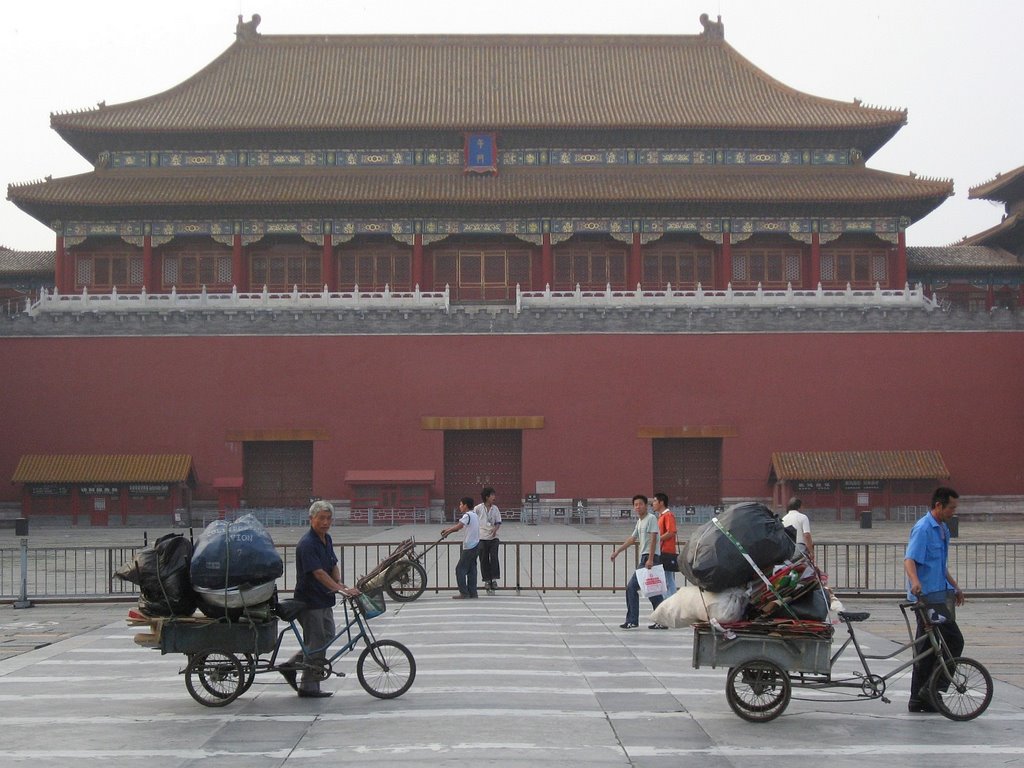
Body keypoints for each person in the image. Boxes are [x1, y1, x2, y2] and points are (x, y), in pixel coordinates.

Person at [281, 500, 359, 698]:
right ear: (311, 519)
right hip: (309, 601)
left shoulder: (327, 539)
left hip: (324, 599)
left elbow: (332, 564)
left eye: (328, 518)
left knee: (326, 636)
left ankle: (291, 665)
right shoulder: (307, 544)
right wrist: (339, 590)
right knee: (317, 642)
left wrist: (339, 584)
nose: (325, 522)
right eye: (321, 518)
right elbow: (318, 573)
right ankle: (309, 686)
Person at [904, 486, 965, 713]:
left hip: (939, 594)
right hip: (927, 598)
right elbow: (909, 559)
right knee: (954, 640)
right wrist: (914, 581)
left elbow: (940, 565)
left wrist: (955, 586)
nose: (953, 512)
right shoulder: (923, 528)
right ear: (938, 505)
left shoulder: (942, 529)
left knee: (927, 647)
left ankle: (919, 698)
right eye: (951, 507)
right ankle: (931, 689)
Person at [610, 494, 665, 629]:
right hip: (645, 558)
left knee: (632, 587)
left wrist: (651, 559)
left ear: (646, 505)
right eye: (635, 505)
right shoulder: (640, 521)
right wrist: (618, 551)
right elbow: (632, 539)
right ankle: (662, 620)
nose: (638, 507)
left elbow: (654, 539)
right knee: (653, 591)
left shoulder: (651, 518)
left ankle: (633, 620)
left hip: (649, 558)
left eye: (640, 504)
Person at [442, 496, 480, 599]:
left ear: (466, 506)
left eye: (461, 504)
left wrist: (447, 531)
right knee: (472, 569)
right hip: (476, 545)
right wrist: (448, 530)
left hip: (469, 546)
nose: (460, 506)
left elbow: (458, 527)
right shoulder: (475, 515)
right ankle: (473, 592)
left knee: (460, 569)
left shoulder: (467, 515)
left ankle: (464, 592)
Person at [475, 487, 502, 595]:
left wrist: (495, 530)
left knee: (494, 557)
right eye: (492, 495)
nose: (494, 497)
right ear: (487, 497)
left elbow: (498, 522)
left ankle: (494, 579)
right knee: (483, 559)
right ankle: (487, 580)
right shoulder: (478, 508)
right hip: (482, 538)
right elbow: (472, 519)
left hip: (493, 537)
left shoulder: (495, 509)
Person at [652, 492, 679, 598]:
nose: (653, 503)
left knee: (668, 578)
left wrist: (657, 539)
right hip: (662, 551)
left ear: (661, 502)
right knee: (666, 578)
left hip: (666, 551)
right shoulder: (662, 516)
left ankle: (670, 601)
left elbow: (671, 532)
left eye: (654, 501)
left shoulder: (668, 515)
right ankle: (669, 600)